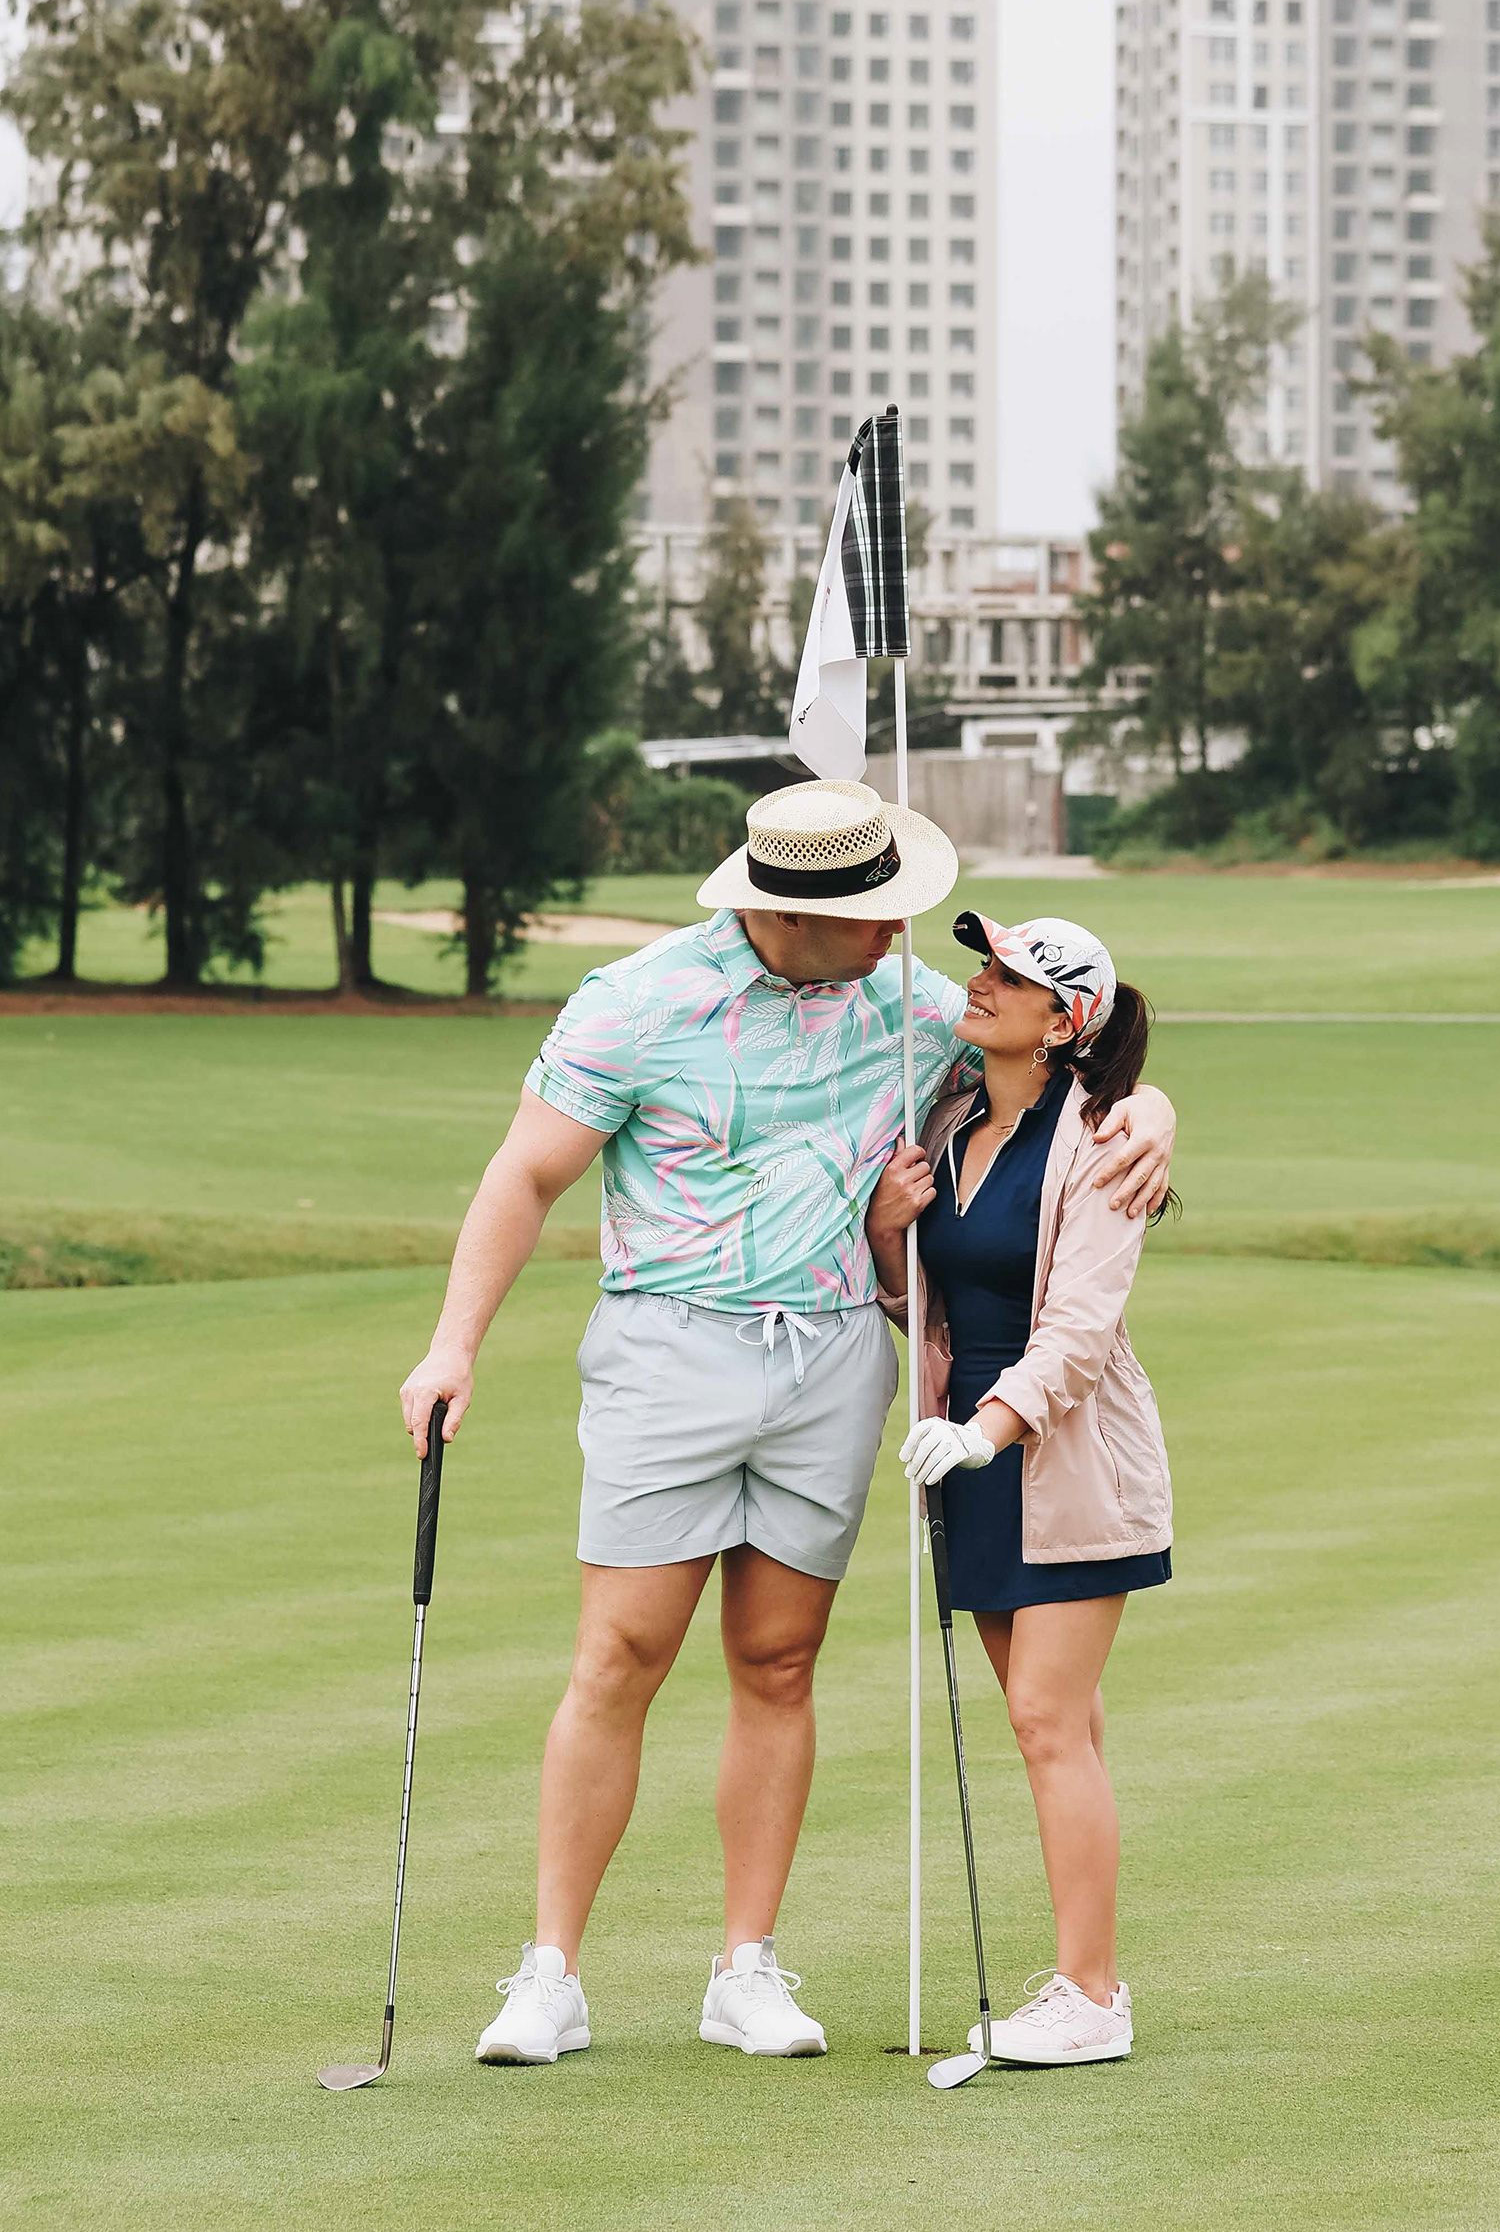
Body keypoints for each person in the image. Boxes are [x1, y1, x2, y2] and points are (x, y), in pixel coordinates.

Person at [395, 783, 1178, 2066]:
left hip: (828, 1364)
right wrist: (451, 1345)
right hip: (669, 1348)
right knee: (620, 1654)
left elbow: (1075, 1063)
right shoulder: (636, 1004)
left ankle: (743, 1968)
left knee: (777, 1661)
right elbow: (527, 1173)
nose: (904, 937)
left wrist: (1151, 1115)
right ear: (786, 911)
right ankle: (550, 1977)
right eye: (876, 916)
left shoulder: (911, 999)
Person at [866, 909, 1174, 2069]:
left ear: (1063, 1022)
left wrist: (987, 1432)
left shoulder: (1102, 1139)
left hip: (1066, 1458)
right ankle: (1089, 1984)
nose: (981, 983)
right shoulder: (950, 1124)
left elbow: (1081, 1331)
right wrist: (890, 1236)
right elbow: (931, 1303)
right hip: (978, 1455)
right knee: (1058, 1725)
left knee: (1049, 1721)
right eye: (984, 964)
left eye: (1012, 977)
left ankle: (1089, 1999)